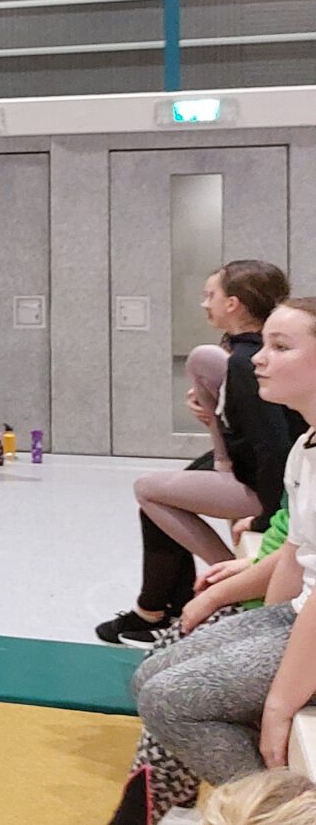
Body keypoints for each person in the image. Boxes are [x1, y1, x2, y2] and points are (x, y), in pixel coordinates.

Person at [127, 296, 316, 792]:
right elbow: (295, 556)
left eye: (280, 347)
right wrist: (228, 614)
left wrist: (278, 704)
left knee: (170, 700)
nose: (258, 359)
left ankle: (275, 811)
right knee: (150, 676)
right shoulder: (305, 447)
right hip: (298, 614)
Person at [102, 263, 302, 646]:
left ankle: (230, 584)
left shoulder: (246, 361)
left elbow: (273, 446)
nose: (204, 304)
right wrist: (214, 415)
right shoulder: (241, 356)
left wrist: (264, 518)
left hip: (265, 484)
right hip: (256, 471)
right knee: (159, 502)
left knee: (148, 490)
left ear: (233, 303)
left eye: (210, 295)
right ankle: (160, 607)